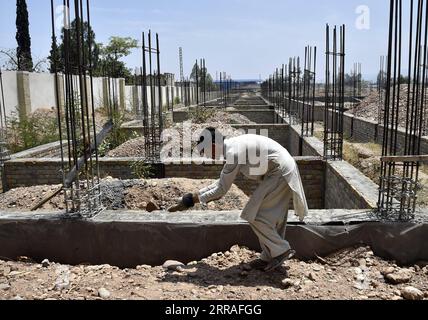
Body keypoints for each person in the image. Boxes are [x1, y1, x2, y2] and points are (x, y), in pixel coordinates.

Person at [168, 128, 308, 272]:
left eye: (205, 151)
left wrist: (191, 201)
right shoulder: (232, 148)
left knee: (254, 215)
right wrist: (192, 197)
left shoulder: (233, 153)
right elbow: (221, 183)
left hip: (280, 171)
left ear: (213, 146)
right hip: (280, 170)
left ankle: (281, 250)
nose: (207, 156)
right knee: (272, 217)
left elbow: (221, 189)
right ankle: (270, 256)